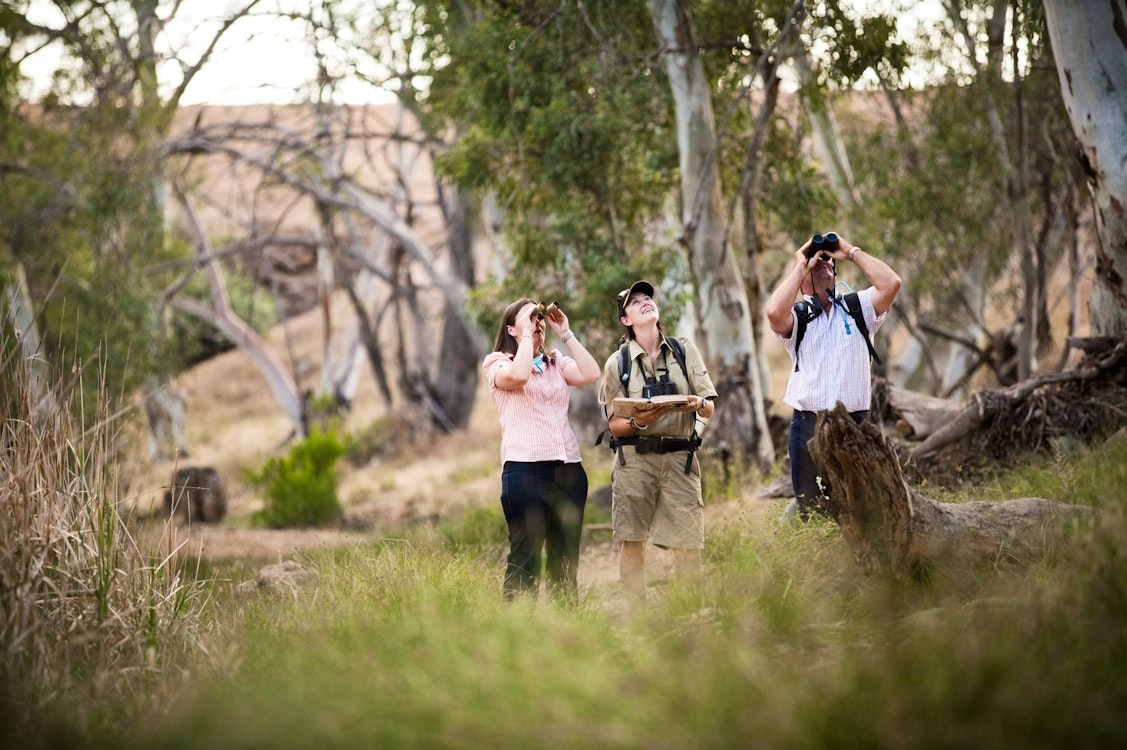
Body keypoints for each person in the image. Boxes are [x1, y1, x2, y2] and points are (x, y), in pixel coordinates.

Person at [765, 233, 902, 521]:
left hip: (854, 423)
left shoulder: (858, 307)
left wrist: (849, 250)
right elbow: (774, 311)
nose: (822, 263)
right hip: (806, 426)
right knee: (810, 509)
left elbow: (892, 284)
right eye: (816, 264)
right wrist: (801, 265)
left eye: (826, 261)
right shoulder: (798, 318)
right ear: (801, 282)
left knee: (861, 505)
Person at [599, 281, 717, 608]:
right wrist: (640, 421)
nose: (645, 303)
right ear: (626, 320)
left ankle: (691, 612)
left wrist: (697, 405)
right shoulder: (616, 363)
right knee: (632, 539)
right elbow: (614, 424)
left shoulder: (683, 350)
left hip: (681, 457)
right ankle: (638, 618)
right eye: (635, 302)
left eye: (648, 298)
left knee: (689, 542)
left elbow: (709, 405)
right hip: (635, 460)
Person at [482, 297, 602, 600]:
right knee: (527, 560)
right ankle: (518, 633)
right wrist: (525, 335)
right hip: (525, 471)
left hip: (569, 470)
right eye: (531, 318)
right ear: (511, 328)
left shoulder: (555, 363)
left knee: (565, 561)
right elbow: (519, 377)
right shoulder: (497, 363)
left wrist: (565, 332)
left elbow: (591, 373)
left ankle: (566, 632)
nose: (538, 324)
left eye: (539, 319)